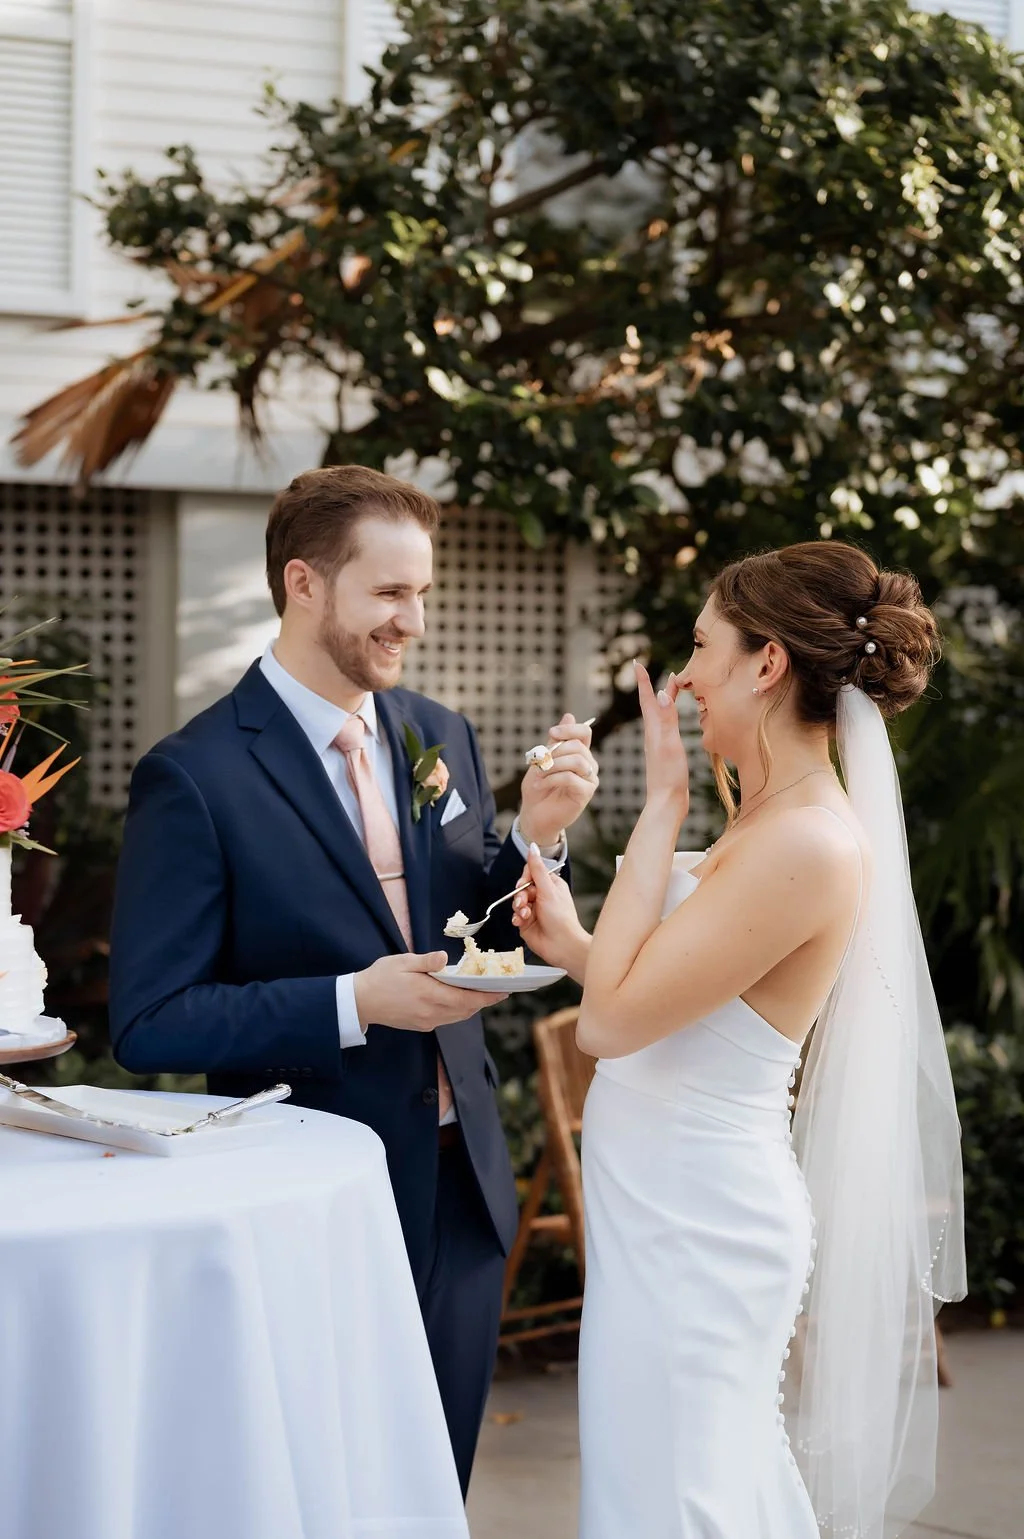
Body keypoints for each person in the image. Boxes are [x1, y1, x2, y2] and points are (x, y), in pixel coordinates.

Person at [108, 464, 599, 1495]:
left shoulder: (437, 733)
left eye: (420, 593)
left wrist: (534, 839)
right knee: (324, 1492)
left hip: (461, 1187)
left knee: (434, 1489)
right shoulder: (192, 776)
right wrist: (351, 1004)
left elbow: (468, 926)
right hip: (307, 1191)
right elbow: (150, 1021)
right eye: (389, 593)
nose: (411, 620)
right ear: (303, 583)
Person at [512, 542, 966, 1539]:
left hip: (699, 1230)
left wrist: (657, 813)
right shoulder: (769, 820)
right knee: (672, 1491)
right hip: (665, 1216)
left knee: (678, 1501)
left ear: (766, 664)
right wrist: (580, 945)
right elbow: (680, 1000)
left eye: (700, 644)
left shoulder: (807, 839)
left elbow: (608, 1027)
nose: (682, 676)